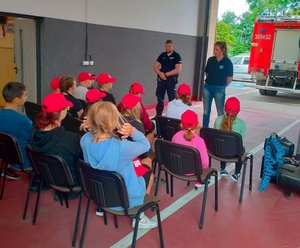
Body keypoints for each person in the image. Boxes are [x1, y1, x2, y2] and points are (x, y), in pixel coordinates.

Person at [80, 102, 157, 229]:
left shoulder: (85, 141)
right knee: (147, 173)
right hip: (125, 199)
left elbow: (89, 134)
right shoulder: (122, 147)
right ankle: (139, 216)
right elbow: (146, 145)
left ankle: (101, 209)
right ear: (114, 121)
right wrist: (133, 131)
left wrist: (92, 126)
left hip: (100, 194)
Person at [30, 93, 82, 190]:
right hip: (70, 182)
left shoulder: (33, 132)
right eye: (66, 108)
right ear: (62, 113)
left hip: (46, 175)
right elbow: (83, 161)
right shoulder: (72, 139)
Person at [0, 82, 32, 179]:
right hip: (23, 162)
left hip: (6, 157)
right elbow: (34, 139)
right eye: (25, 95)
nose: (26, 97)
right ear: (17, 100)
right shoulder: (23, 120)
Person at [172, 110, 209, 188]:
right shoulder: (199, 141)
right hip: (194, 172)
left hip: (177, 168)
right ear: (197, 124)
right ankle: (199, 181)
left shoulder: (176, 136)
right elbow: (205, 163)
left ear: (181, 124)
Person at [214, 97, 246, 181]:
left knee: (222, 143)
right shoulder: (241, 124)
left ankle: (222, 169)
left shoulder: (218, 120)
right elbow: (240, 141)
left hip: (218, 152)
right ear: (238, 111)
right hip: (233, 154)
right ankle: (237, 173)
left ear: (224, 108)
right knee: (241, 149)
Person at [202, 41, 233, 128]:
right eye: (214, 49)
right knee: (206, 111)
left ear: (222, 50)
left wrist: (222, 86)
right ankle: (205, 128)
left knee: (220, 112)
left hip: (219, 89)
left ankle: (220, 129)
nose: (215, 51)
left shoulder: (227, 62)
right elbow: (207, 73)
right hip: (207, 87)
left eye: (217, 49)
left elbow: (230, 78)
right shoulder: (211, 60)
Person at [153, 39, 182, 117]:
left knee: (172, 101)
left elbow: (177, 70)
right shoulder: (162, 55)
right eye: (166, 46)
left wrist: (166, 74)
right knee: (160, 99)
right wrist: (160, 74)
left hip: (171, 82)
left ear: (172, 46)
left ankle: (172, 117)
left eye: (169, 46)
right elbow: (155, 66)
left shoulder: (176, 56)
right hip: (161, 81)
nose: (167, 48)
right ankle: (158, 116)